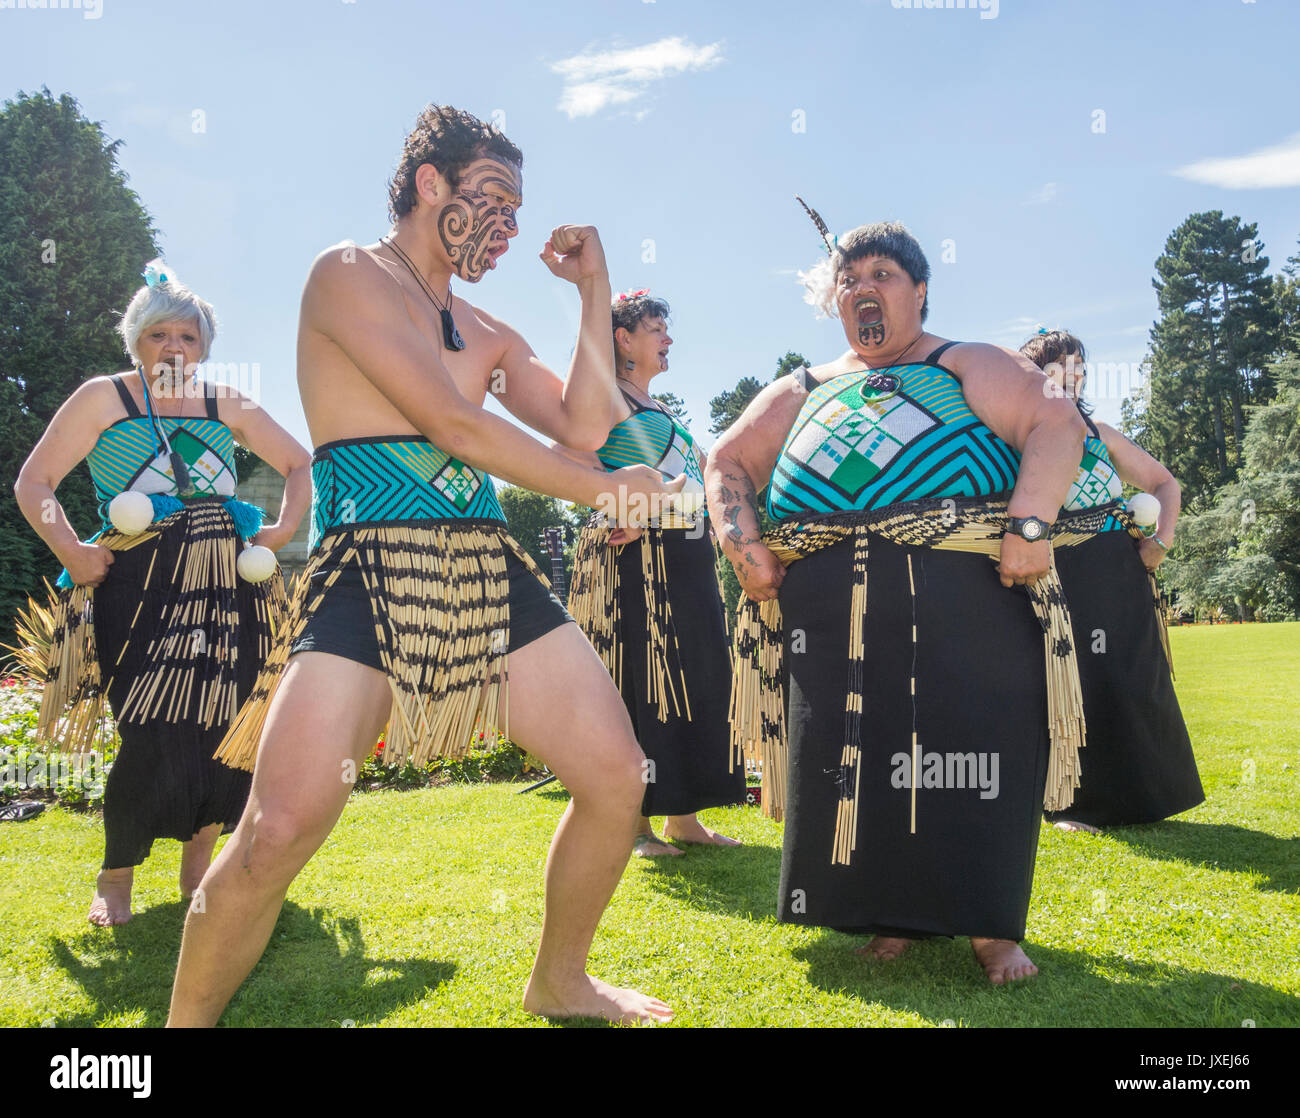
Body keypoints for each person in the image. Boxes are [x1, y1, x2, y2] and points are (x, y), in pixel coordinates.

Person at [167, 105, 681, 1027]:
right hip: (367, 567)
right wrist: (601, 493)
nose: (508, 224)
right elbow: (453, 424)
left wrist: (593, 292)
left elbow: (586, 426)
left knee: (615, 777)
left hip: (487, 566)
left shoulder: (484, 325)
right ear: (429, 182)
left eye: (518, 210)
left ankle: (561, 979)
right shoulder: (347, 275)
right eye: (491, 197)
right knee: (276, 832)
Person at [707, 218, 1089, 984]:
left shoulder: (970, 362)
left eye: (881, 274)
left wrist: (1030, 521)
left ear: (919, 289)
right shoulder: (802, 386)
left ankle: (990, 928)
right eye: (849, 280)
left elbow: (1056, 422)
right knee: (858, 751)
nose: (863, 290)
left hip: (967, 589)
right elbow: (726, 461)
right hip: (828, 602)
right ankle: (888, 916)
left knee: (973, 743)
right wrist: (743, 547)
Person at [14, 260, 311, 927]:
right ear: (136, 340)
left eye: (187, 337)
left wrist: (282, 529)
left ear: (203, 346)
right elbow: (34, 484)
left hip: (228, 582)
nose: (174, 348)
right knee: (148, 725)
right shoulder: (102, 398)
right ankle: (115, 877)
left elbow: (298, 461)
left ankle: (199, 867)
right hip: (137, 582)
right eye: (158, 336)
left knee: (228, 723)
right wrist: (72, 550)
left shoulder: (223, 403)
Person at [566, 291, 744, 858]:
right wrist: (627, 511)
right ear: (623, 337)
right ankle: (637, 827)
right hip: (638, 561)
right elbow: (568, 460)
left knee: (692, 674)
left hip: (686, 553)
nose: (668, 339)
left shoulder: (654, 403)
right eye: (657, 329)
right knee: (644, 678)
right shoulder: (605, 400)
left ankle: (682, 816)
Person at [1019, 329, 1203, 832]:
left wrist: (1158, 543)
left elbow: (1166, 484)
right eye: (1059, 367)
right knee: (1073, 685)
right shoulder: (1018, 437)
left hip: (1120, 571)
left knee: (1135, 679)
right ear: (1035, 376)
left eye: (1079, 367)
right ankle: (1072, 806)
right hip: (1058, 573)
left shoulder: (1101, 432)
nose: (1072, 377)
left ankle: (1151, 798)